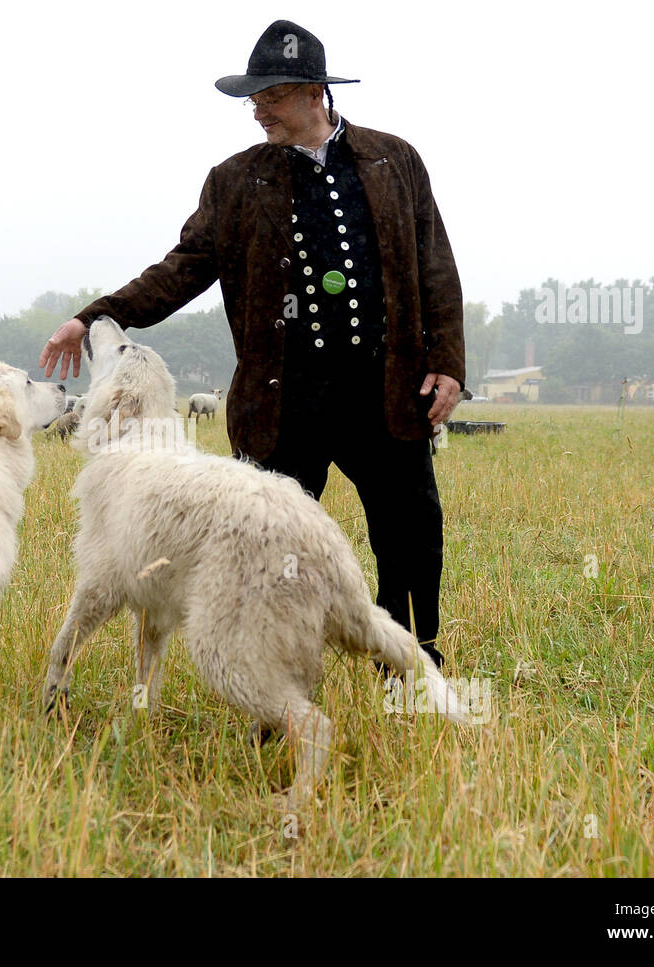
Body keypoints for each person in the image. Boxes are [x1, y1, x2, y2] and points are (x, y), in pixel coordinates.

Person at [39, 20, 465, 665]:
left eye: (270, 97)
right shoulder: (236, 179)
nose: (257, 111)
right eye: (253, 99)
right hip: (284, 401)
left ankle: (410, 674)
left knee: (410, 535)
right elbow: (183, 266)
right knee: (266, 550)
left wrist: (447, 363)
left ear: (313, 92)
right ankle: (275, 681)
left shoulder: (394, 159)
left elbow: (435, 263)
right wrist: (97, 315)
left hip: (386, 389)